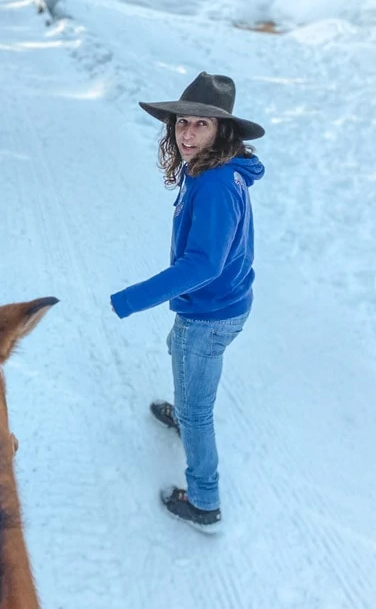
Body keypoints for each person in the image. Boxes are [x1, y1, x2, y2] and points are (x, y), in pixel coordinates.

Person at [109, 71, 265, 532]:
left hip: (210, 311)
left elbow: (202, 265)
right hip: (219, 304)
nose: (187, 133)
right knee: (178, 349)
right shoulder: (214, 171)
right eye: (182, 124)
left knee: (198, 410)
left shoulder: (215, 183)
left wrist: (133, 298)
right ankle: (182, 412)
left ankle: (204, 501)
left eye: (201, 124)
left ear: (222, 131)